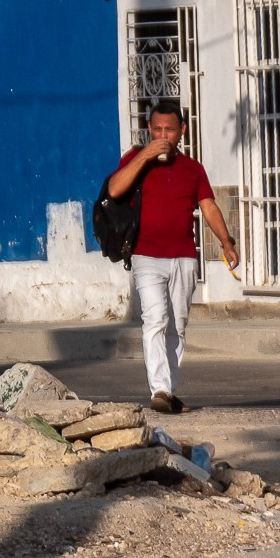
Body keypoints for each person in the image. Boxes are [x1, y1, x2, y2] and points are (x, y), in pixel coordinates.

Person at [105, 100, 238, 413]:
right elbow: (114, 189)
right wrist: (145, 156)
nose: (163, 135)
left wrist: (226, 242)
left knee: (177, 325)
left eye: (169, 130)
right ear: (149, 129)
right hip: (145, 255)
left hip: (183, 257)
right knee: (155, 319)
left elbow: (208, 206)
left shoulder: (193, 169)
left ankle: (169, 390)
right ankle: (160, 390)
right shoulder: (135, 159)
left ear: (182, 131)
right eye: (157, 129)